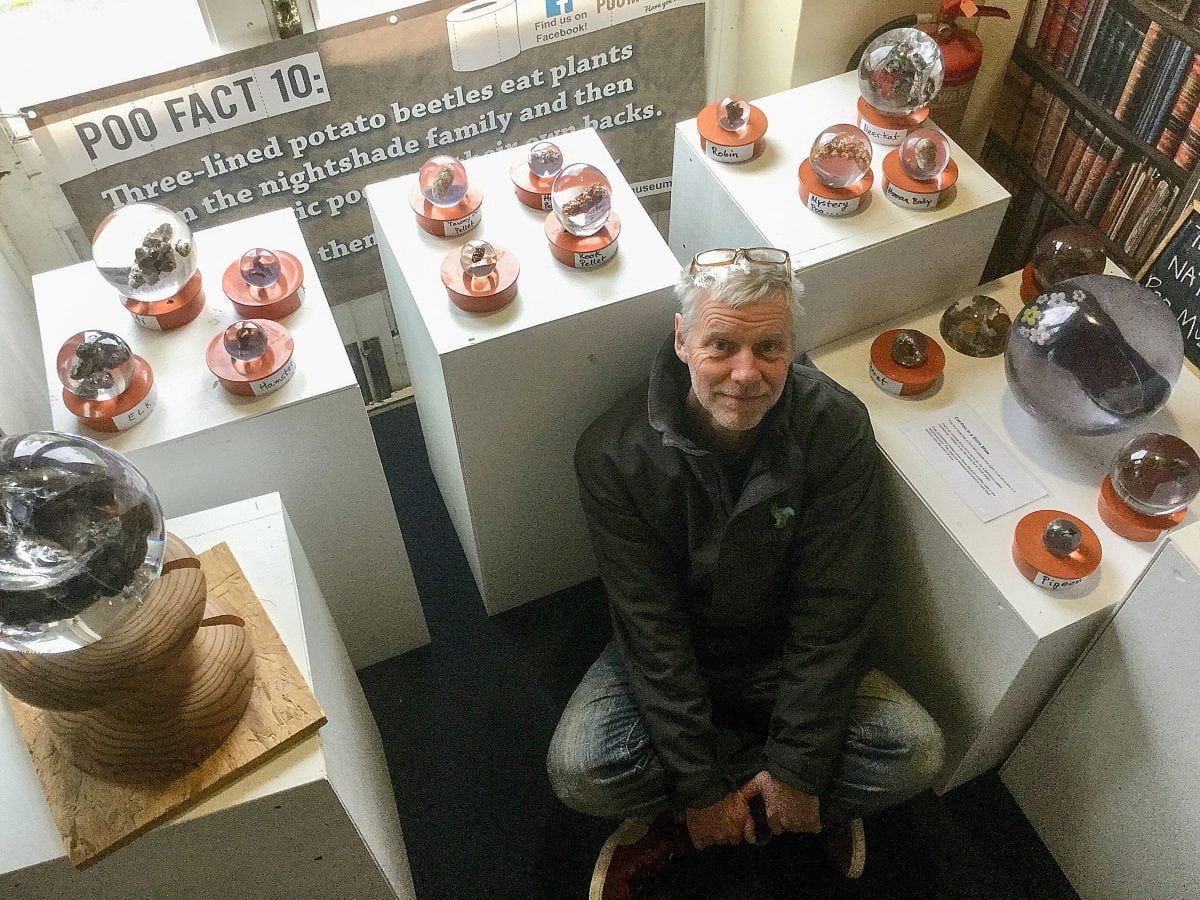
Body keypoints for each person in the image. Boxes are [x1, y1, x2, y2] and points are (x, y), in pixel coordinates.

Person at [546, 247, 945, 899]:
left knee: (915, 751)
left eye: (768, 348)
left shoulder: (837, 426)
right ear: (682, 339)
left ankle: (754, 803)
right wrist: (702, 787)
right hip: (681, 655)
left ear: (791, 347)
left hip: (783, 654)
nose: (745, 374)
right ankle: (753, 809)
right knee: (580, 769)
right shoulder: (612, 453)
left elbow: (833, 610)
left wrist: (797, 765)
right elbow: (650, 631)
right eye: (721, 345)